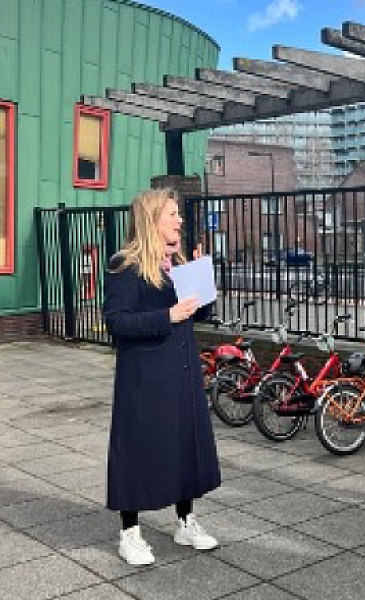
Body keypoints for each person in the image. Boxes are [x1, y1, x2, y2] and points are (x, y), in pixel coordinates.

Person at [103, 188, 221, 566]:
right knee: (139, 449)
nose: (180, 219)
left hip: (182, 374)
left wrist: (203, 281)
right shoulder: (125, 265)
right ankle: (130, 533)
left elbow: (198, 316)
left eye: (179, 214)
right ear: (152, 218)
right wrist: (165, 316)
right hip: (145, 378)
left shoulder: (180, 262)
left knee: (185, 446)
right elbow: (116, 322)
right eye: (172, 213)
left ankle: (185, 521)